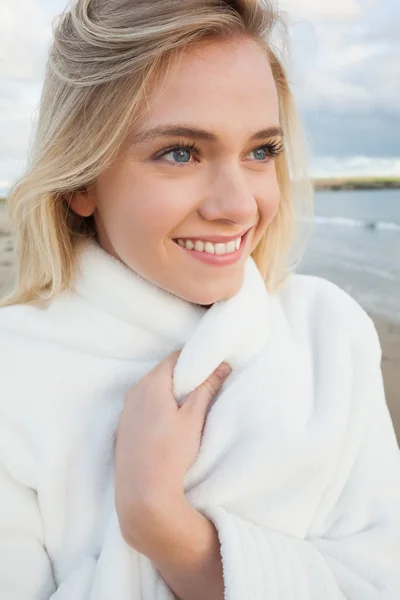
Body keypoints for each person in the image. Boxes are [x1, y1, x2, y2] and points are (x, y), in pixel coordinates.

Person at [0, 0, 399, 598]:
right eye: (180, 152)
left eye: (261, 151)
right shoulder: (14, 372)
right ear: (81, 179)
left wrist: (163, 523)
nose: (238, 206)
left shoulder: (328, 332)